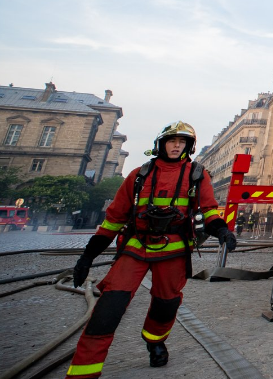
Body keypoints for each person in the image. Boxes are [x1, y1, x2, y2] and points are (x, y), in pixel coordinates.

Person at [66, 122, 236, 378]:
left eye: (182, 142)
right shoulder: (138, 175)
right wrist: (87, 257)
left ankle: (155, 341)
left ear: (188, 147)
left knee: (166, 304)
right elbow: (113, 220)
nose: (176, 146)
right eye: (171, 141)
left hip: (174, 249)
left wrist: (222, 231)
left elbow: (209, 210)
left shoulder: (197, 175)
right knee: (109, 307)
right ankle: (82, 373)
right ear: (161, 144)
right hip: (136, 246)